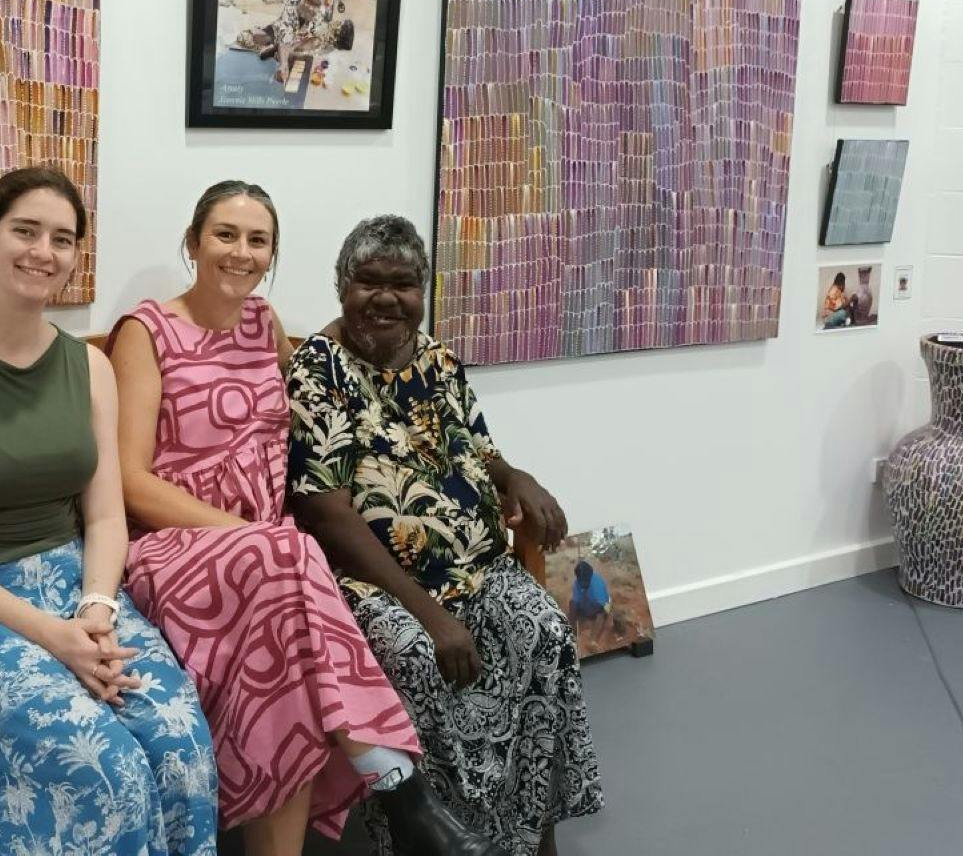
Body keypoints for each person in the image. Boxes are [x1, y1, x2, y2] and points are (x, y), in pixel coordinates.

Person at [108, 183, 505, 856]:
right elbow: (129, 481)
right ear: (193, 242)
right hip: (176, 549)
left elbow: (330, 378)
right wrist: (245, 532)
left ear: (272, 254)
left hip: (275, 564)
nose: (240, 251)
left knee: (286, 657)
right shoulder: (147, 333)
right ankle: (401, 788)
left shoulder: (264, 325)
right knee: (289, 556)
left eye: (257, 240)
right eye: (225, 235)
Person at [0, 166, 219, 856]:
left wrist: (94, 608)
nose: (43, 252)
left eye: (62, 239)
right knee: (107, 768)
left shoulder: (88, 366)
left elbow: (105, 516)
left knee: (183, 745)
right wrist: (49, 634)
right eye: (25, 230)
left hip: (80, 591)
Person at [287, 215, 604, 856]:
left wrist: (517, 476)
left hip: (476, 566)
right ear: (341, 286)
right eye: (368, 282)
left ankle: (529, 834)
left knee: (543, 630)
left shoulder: (435, 357)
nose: (385, 298)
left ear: (423, 290)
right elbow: (328, 513)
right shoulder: (317, 370)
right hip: (373, 583)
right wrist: (430, 614)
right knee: (415, 656)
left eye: (402, 284)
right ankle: (436, 840)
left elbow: (480, 448)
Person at [568, 559, 614, 646]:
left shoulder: (597, 587)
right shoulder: (576, 584)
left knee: (601, 613)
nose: (583, 582)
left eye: (586, 580)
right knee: (572, 603)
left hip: (598, 606)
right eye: (580, 580)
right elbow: (576, 600)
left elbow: (606, 607)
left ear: (590, 576)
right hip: (587, 606)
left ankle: (593, 640)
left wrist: (609, 617)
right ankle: (571, 630)